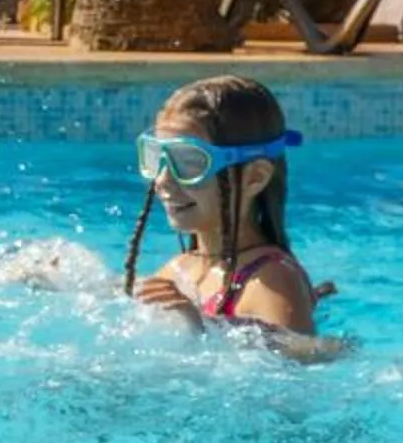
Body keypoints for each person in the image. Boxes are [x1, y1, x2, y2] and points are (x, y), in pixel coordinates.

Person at [121, 74, 339, 357]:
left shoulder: (272, 281)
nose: (162, 181)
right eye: (155, 157)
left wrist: (201, 331)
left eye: (188, 163)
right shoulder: (183, 267)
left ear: (255, 178)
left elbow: (293, 381)